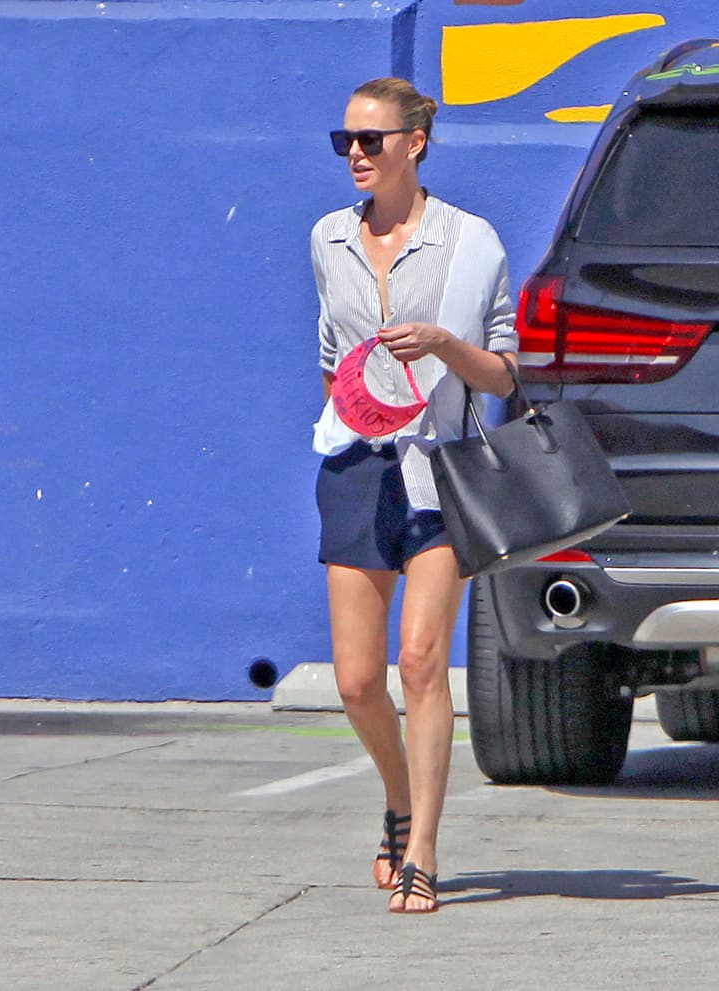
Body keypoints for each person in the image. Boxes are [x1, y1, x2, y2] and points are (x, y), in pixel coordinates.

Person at [309, 78, 517, 913]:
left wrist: (440, 342)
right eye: (345, 142)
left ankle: (424, 846)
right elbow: (331, 351)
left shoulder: (472, 242)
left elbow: (503, 371)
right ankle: (398, 799)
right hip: (357, 466)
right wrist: (355, 399)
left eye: (371, 140)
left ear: (416, 142)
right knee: (359, 681)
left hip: (442, 469)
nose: (355, 155)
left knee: (423, 662)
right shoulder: (328, 238)